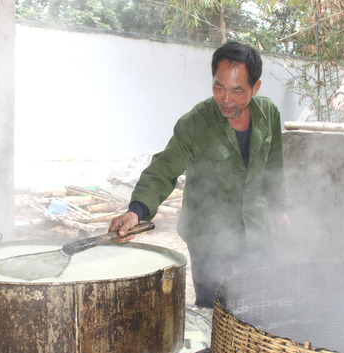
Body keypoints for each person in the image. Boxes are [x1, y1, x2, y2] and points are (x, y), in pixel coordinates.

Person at [108, 41, 291, 308]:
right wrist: (136, 210)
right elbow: (162, 169)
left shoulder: (268, 114)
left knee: (265, 299)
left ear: (256, 87)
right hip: (208, 235)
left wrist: (279, 208)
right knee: (214, 307)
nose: (226, 99)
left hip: (255, 227)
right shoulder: (195, 124)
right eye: (219, 86)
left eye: (237, 90)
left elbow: (275, 165)